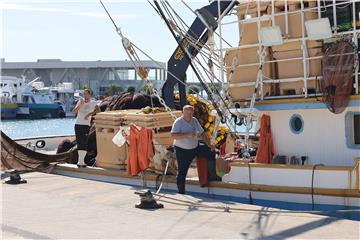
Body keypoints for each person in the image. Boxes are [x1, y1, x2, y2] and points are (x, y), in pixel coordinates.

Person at [171, 105, 220, 194]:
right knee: (182, 171)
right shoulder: (178, 122)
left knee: (210, 152)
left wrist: (210, 145)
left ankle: (212, 175)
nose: (189, 114)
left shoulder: (194, 120)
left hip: (194, 148)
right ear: (183, 113)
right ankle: (181, 192)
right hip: (182, 150)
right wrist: (187, 135)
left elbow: (202, 133)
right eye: (187, 112)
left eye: (191, 112)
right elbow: (173, 135)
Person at [72, 89, 100, 167]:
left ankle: (81, 161)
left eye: (86, 94)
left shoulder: (93, 102)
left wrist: (90, 114)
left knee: (84, 143)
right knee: (79, 142)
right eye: (84, 94)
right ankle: (80, 161)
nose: (85, 95)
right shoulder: (80, 101)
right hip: (78, 124)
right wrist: (80, 105)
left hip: (86, 125)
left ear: (89, 95)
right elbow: (74, 111)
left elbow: (98, 110)